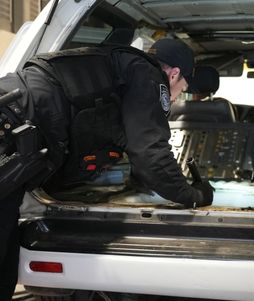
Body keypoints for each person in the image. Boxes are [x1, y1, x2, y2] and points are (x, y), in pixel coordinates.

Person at [0, 38, 214, 300]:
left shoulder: (121, 67)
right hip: (12, 131)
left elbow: (126, 139)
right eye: (183, 88)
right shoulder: (150, 77)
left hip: (15, 127)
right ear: (174, 74)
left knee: (6, 261)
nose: (178, 94)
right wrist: (193, 195)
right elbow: (150, 152)